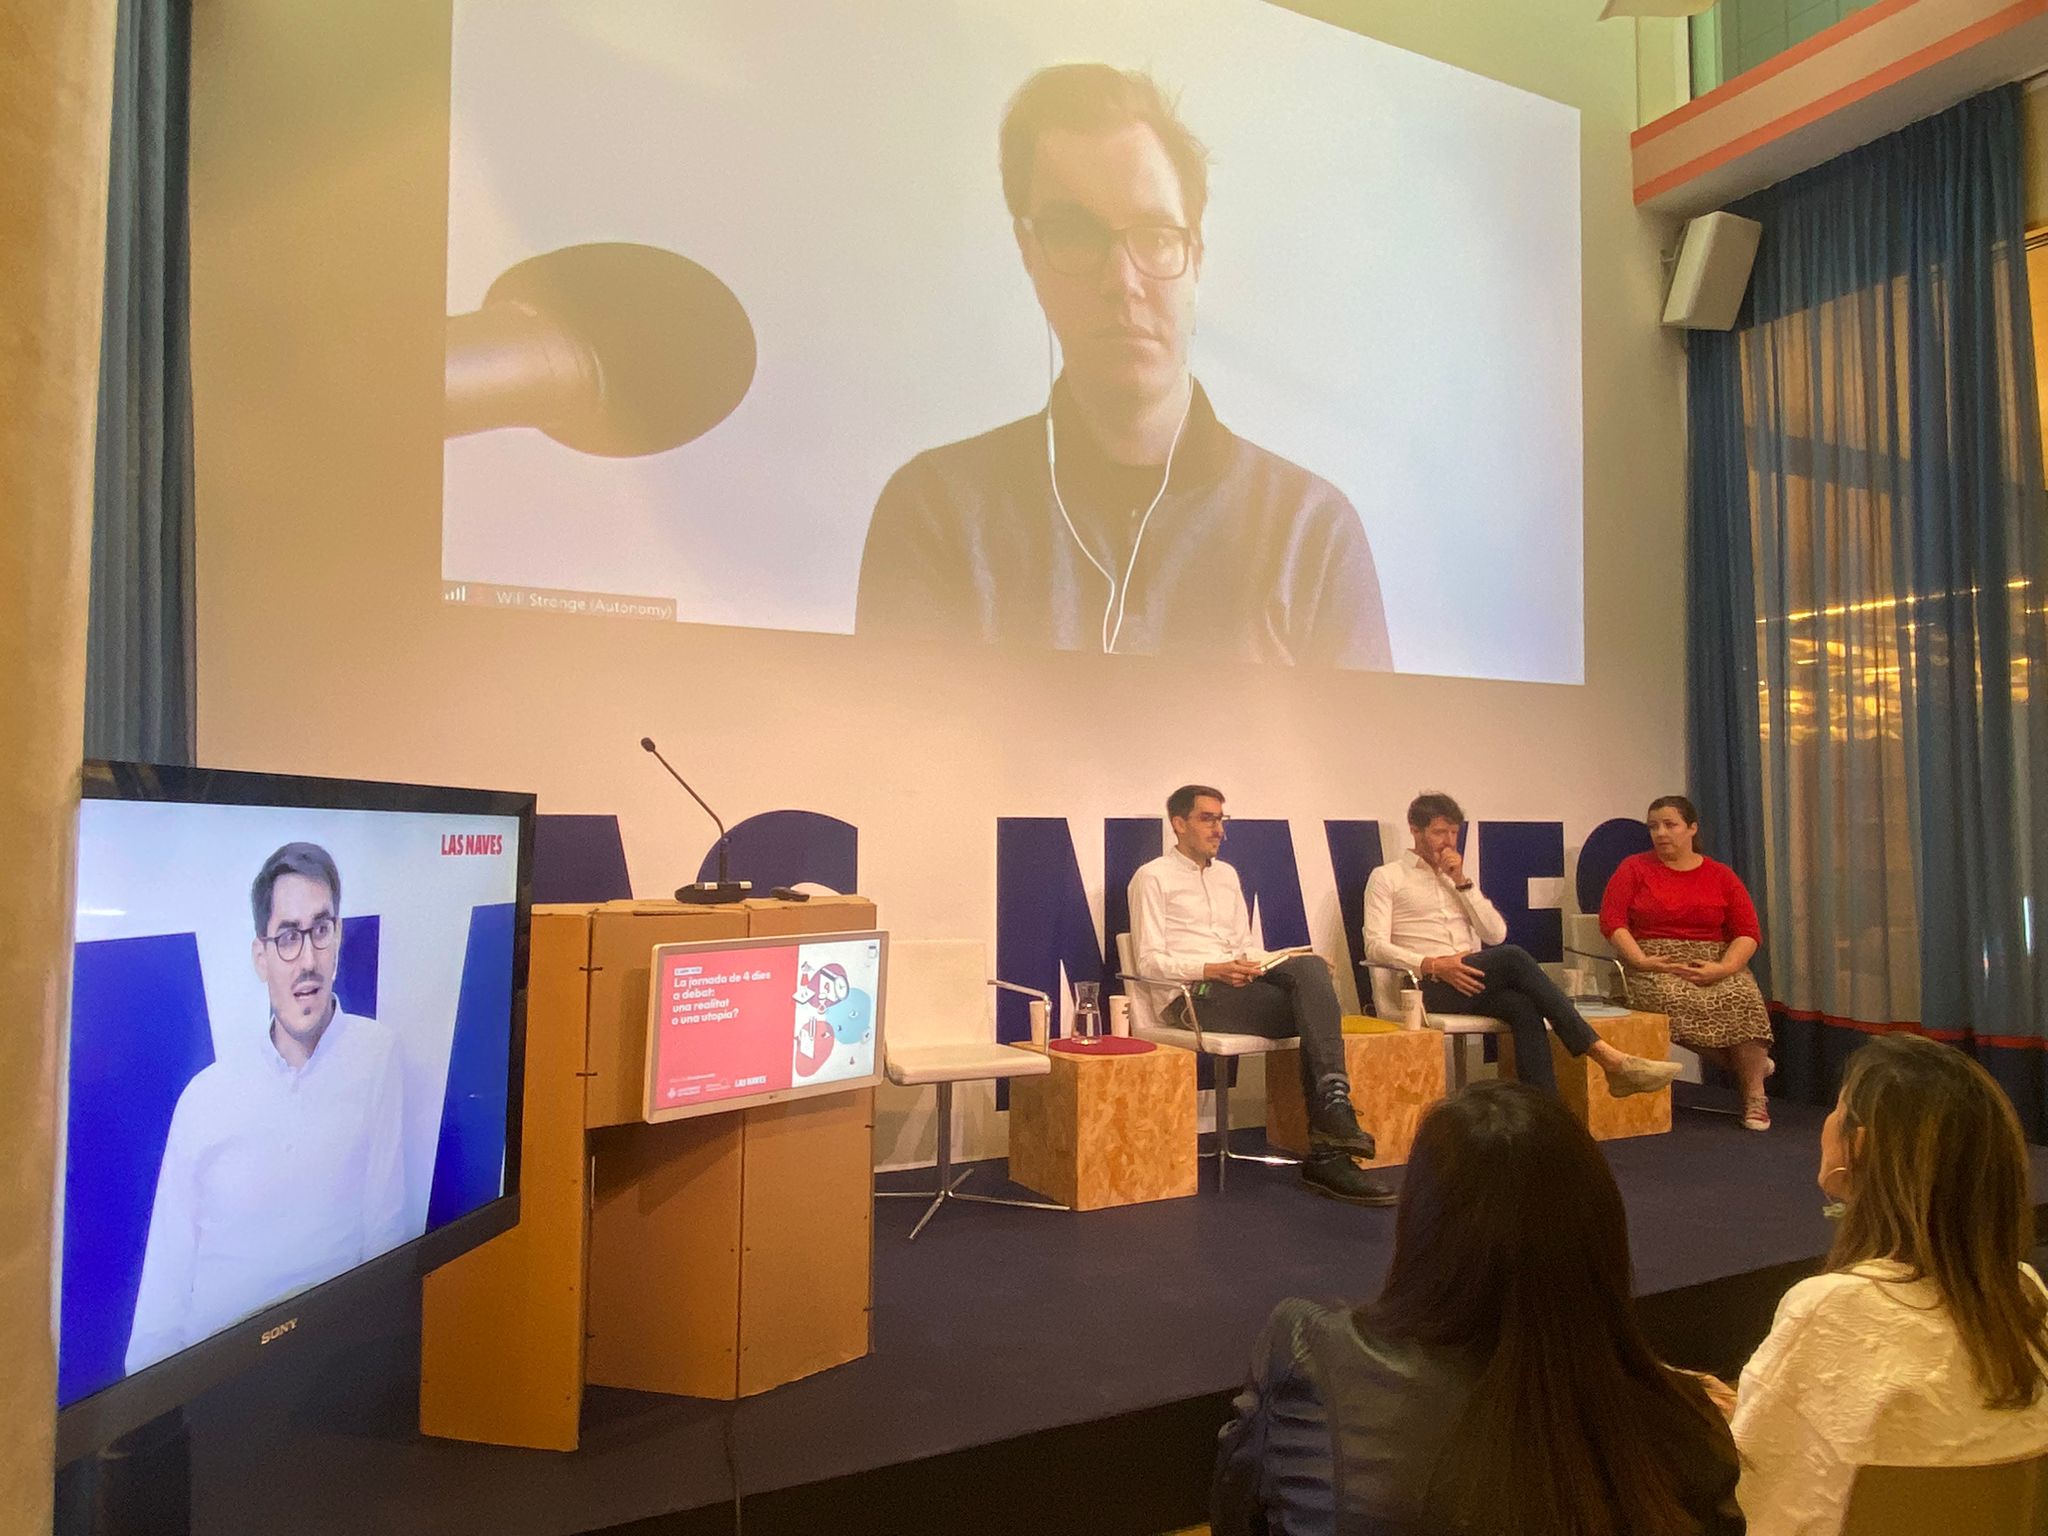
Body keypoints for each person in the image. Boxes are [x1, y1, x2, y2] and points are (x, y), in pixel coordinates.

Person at [856, 62, 1390, 667]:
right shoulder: (936, 514)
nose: (1122, 281)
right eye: (1076, 233)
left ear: (1196, 255)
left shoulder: (1312, 535)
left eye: (1156, 234)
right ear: (1028, 252)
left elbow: (1368, 765)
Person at [1213, 1080, 1744, 1536]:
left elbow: (1238, 1515)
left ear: (1423, 1219)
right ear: (1600, 1230)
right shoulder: (1691, 1432)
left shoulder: (1307, 1352)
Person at [1731, 1033, 2048, 1534]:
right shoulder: (2026, 1294)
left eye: (1837, 1110)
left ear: (1857, 1144)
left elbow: (1757, 1499)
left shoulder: (1831, 1309)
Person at [125, 843, 411, 1375]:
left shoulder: (377, 1055)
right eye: (287, 937)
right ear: (261, 957)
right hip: (209, 1379)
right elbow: (161, 1301)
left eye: (320, 930)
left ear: (338, 938)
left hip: (333, 1365)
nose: (306, 959)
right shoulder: (205, 1097)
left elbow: (386, 1242)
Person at [1128, 784, 1393, 1207]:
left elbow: (1245, 947)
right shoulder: (1152, 877)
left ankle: (1333, 1117)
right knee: (1317, 1013)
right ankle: (1330, 1144)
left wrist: (1282, 960)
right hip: (1189, 997)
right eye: (1207, 819)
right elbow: (1147, 962)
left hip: (1239, 986)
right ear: (1178, 824)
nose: (1218, 829)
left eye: (1221, 819)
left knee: (1309, 970)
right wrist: (1210, 969)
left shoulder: (1227, 875)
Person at [1364, 791, 1681, 1102]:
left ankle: (1545, 1113)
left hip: (1472, 979)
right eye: (1438, 832)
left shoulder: (1457, 879)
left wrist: (1462, 882)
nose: (1448, 841)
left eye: (1453, 832)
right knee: (1514, 957)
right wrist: (1433, 964)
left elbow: (1495, 933)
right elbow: (1375, 946)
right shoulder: (1388, 877)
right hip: (1425, 985)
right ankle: (1607, 1057)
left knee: (1523, 1007)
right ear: (1415, 830)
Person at [1599, 795, 1775, 1130]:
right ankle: (1752, 1069)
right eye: (1653, 826)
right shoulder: (1633, 868)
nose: (1660, 833)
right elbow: (1612, 921)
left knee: (1744, 999)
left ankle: (1755, 1097)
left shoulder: (1720, 875)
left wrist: (1724, 968)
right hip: (1652, 959)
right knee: (1669, 999)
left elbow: (1748, 932)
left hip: (1714, 959)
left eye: (1670, 824)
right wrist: (1641, 960)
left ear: (1691, 828)